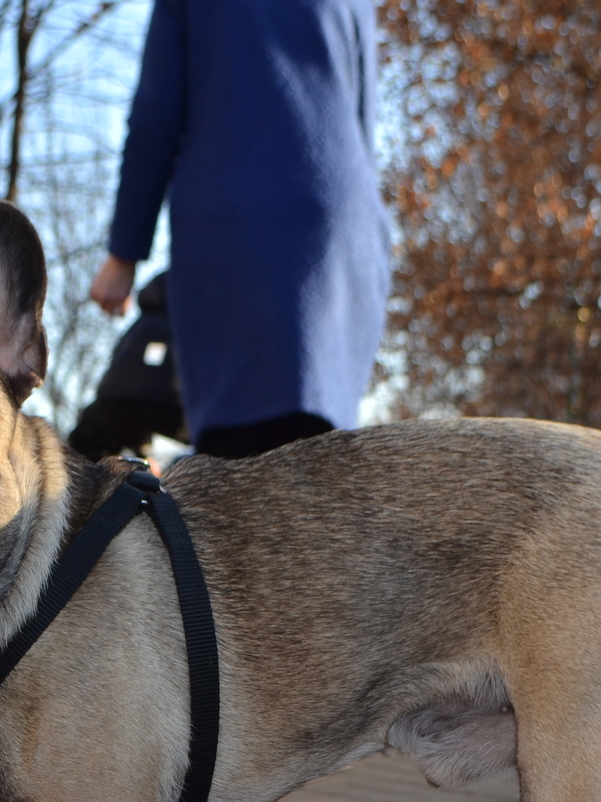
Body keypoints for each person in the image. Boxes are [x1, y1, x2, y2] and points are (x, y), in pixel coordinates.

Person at [88, 0, 388, 459]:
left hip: (240, 221)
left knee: (242, 469)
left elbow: (156, 112)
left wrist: (124, 253)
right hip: (347, 226)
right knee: (321, 464)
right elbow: (364, 113)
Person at [67, 272, 187, 460]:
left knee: (83, 451)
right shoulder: (191, 319)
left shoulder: (140, 327)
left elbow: (119, 363)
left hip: (114, 399)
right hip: (175, 399)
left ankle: (76, 482)